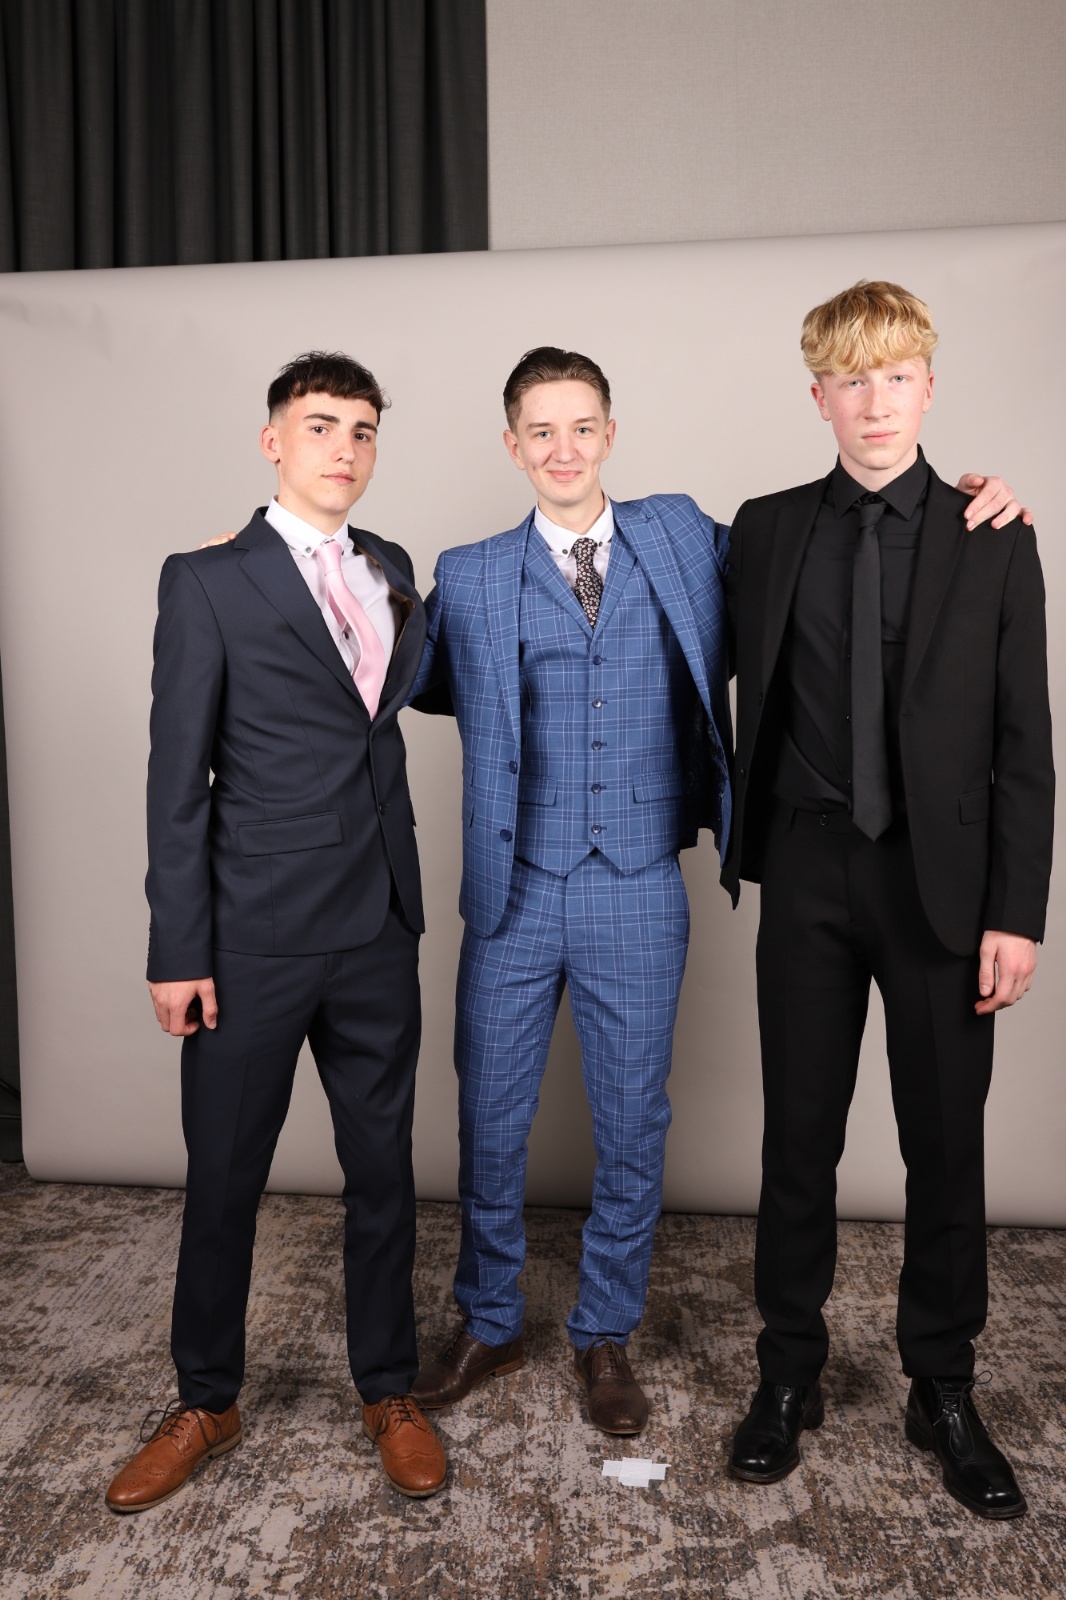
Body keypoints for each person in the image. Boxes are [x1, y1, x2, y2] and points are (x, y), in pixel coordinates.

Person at [406, 344, 1027, 1437]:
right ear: (512, 446)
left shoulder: (689, 538)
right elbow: (388, 666)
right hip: (514, 889)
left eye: (582, 427)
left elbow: (826, 550)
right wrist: (282, 549)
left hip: (641, 881)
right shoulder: (466, 575)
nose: (563, 449)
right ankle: (489, 1318)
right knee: (489, 1119)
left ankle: (605, 1332)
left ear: (611, 434)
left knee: (633, 1121)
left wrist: (970, 501)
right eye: (541, 431)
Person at [722, 282, 1054, 1520]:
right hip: (808, 867)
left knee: (944, 1146)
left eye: (896, 376)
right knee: (797, 1139)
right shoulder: (762, 531)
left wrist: (1016, 910)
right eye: (851, 380)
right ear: (817, 396)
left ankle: (943, 1387)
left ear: (928, 386)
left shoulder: (993, 533)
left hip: (943, 886)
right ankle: (787, 1373)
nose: (874, 402)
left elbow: (1024, 739)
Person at [105, 352, 447, 1512]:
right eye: (319, 426)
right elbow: (176, 783)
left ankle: (387, 1387)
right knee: (225, 1179)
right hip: (251, 936)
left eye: (361, 430)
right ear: (273, 441)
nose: (342, 449)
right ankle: (206, 1397)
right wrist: (177, 949)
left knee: (383, 1174)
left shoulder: (392, 565)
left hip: (378, 923)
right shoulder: (207, 580)